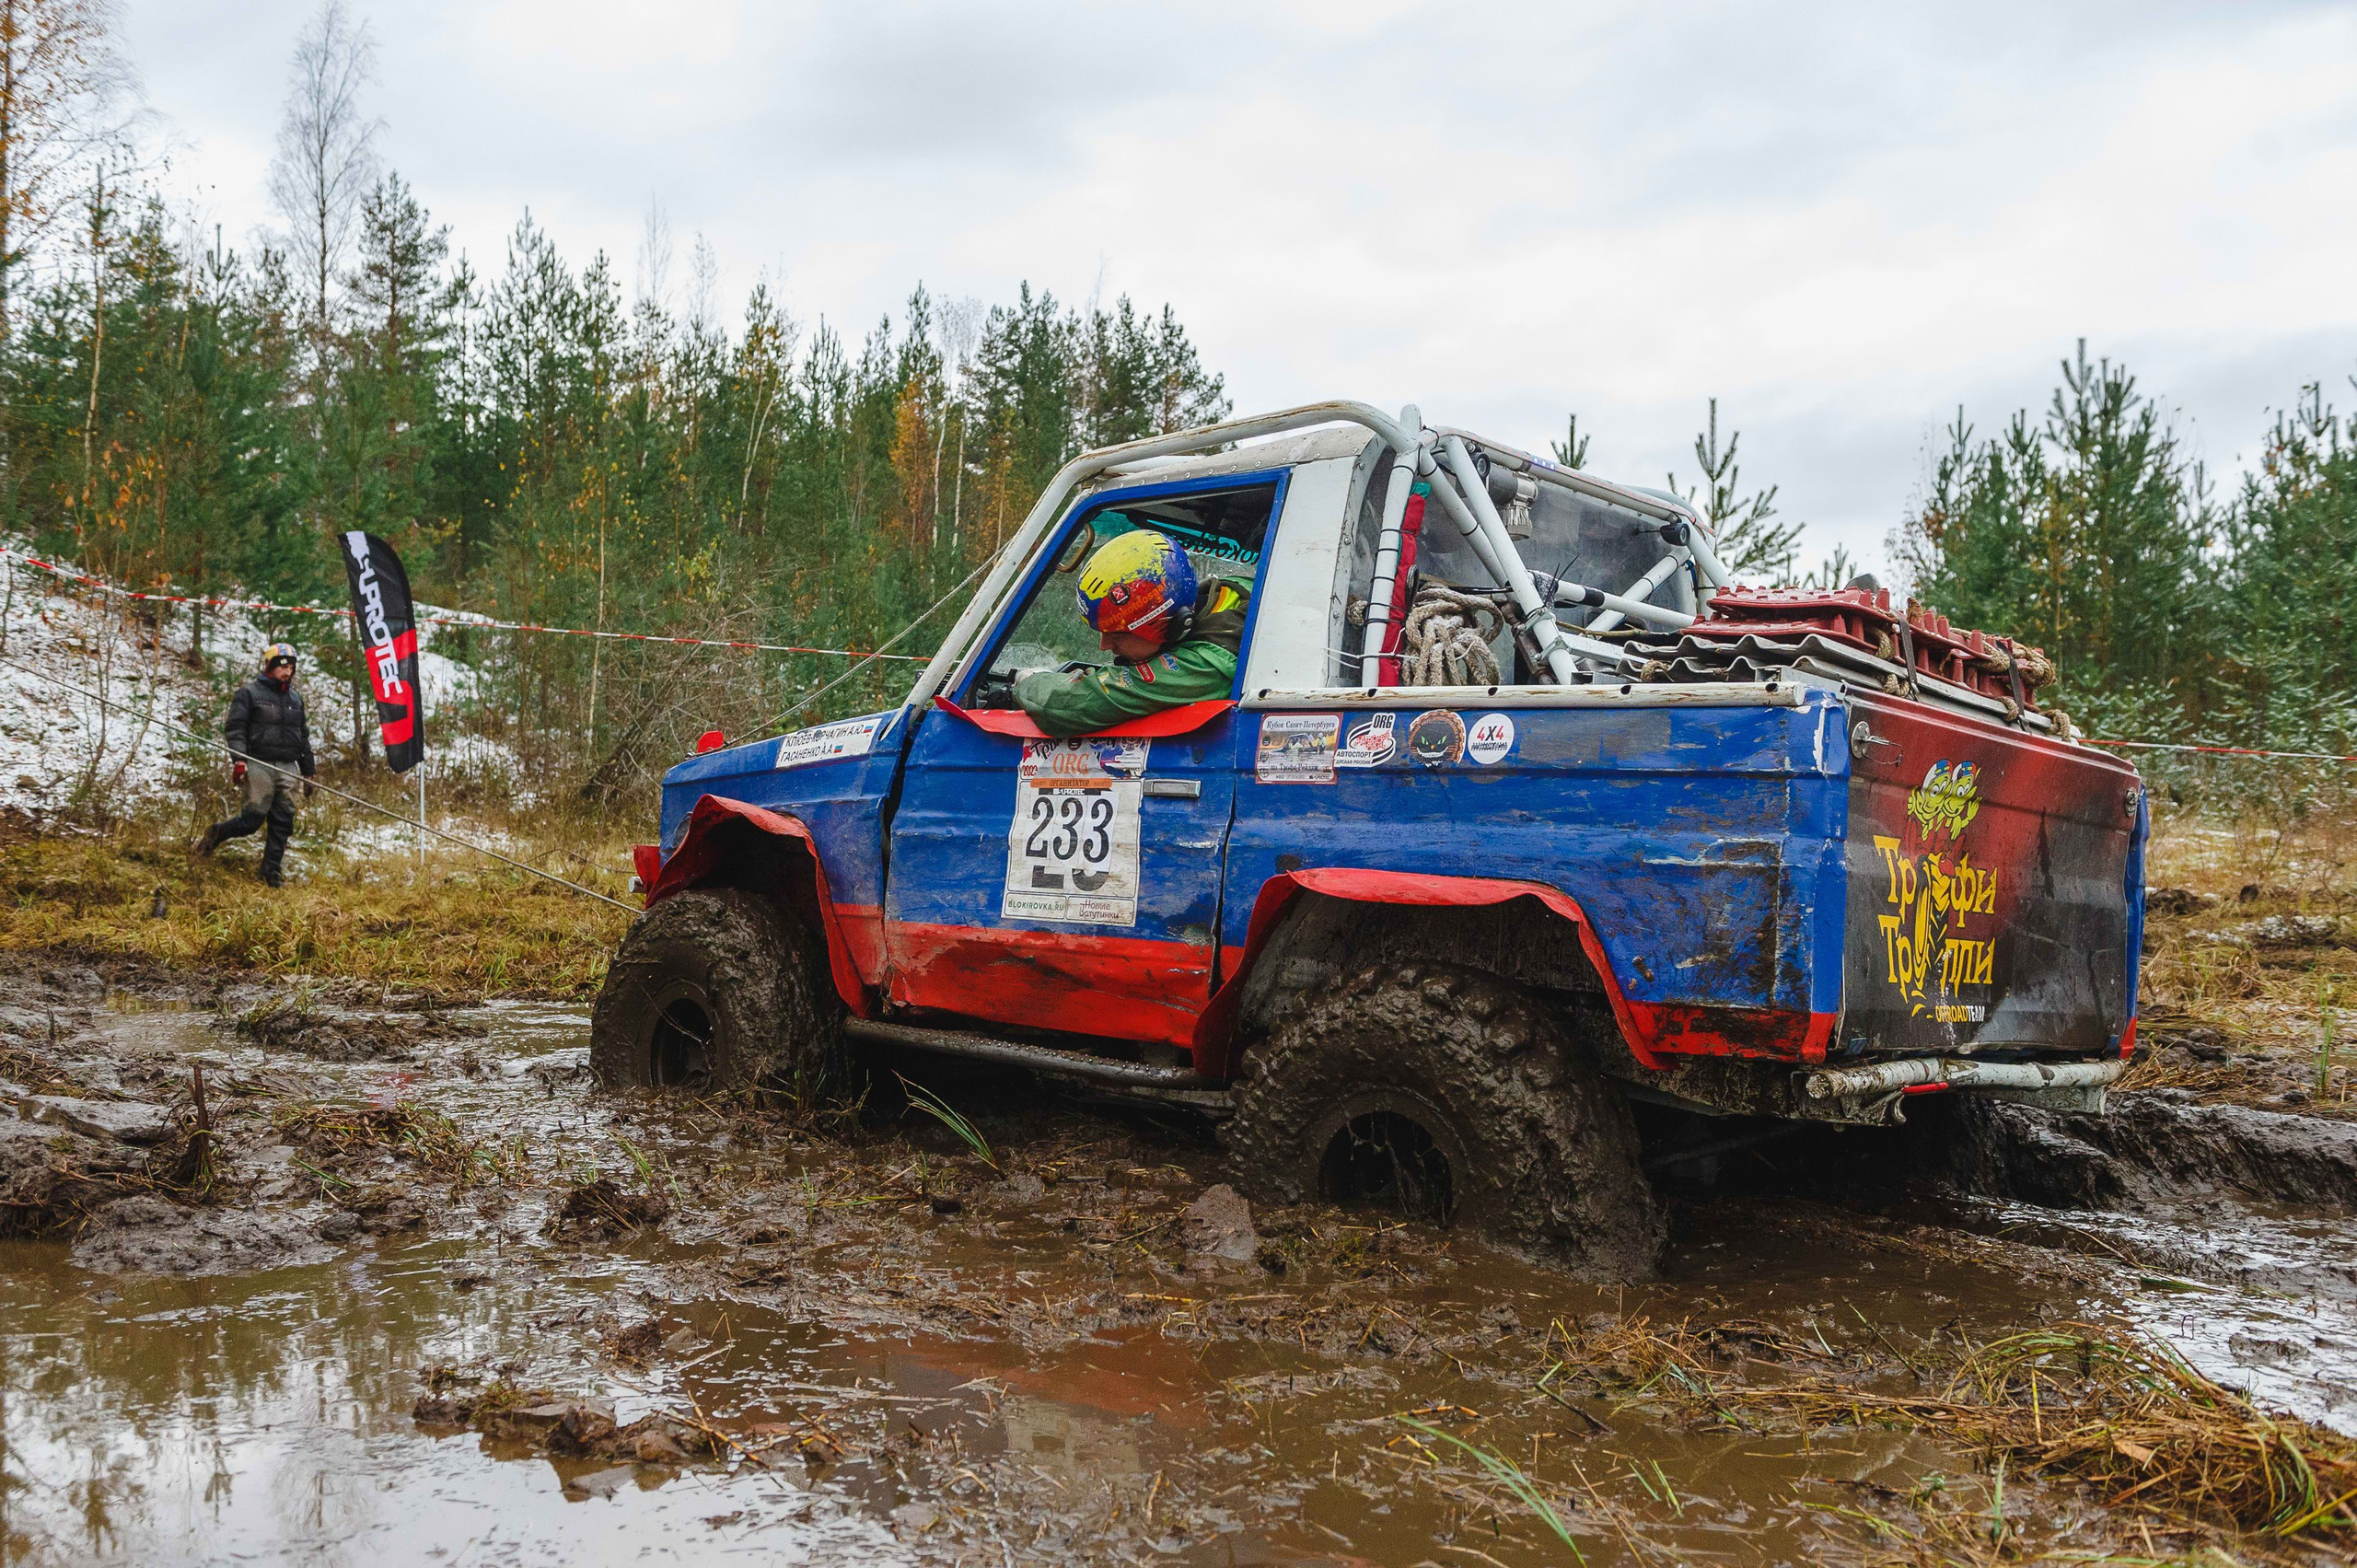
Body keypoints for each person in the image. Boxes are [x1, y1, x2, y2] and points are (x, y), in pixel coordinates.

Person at [1016, 528, 1251, 738]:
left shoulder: (1207, 666)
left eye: (1117, 635)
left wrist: (1028, 681)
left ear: (1172, 624)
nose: (1104, 646)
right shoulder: (1239, 591)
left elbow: (1064, 706)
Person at [195, 643, 318, 887]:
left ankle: (270, 872)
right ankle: (215, 834)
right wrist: (239, 760)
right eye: (283, 667)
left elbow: (302, 736)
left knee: (284, 820)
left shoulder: (296, 699)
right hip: (258, 761)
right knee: (253, 819)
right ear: (270, 667)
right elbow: (235, 729)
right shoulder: (249, 693)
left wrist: (309, 772)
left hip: (288, 765)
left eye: (291, 668)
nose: (287, 672)